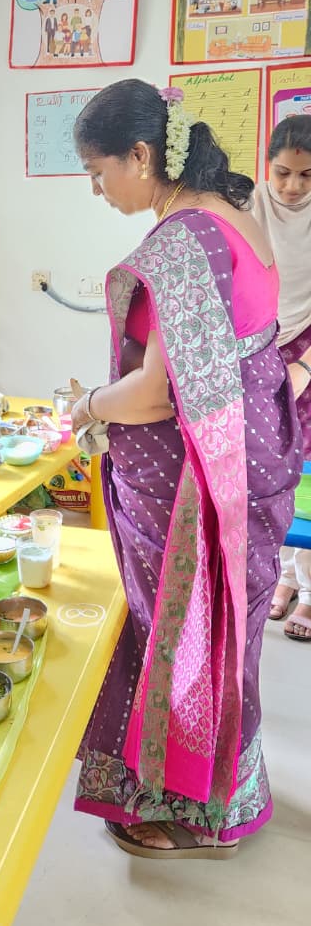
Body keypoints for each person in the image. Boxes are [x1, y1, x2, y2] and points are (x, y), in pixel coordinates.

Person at [70, 79, 301, 859]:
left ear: (141, 155)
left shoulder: (182, 243)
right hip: (254, 453)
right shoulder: (235, 212)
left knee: (182, 638)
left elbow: (158, 393)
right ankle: (223, 793)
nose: (97, 189)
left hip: (195, 486)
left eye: (98, 171)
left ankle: (183, 809)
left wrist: (87, 406)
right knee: (229, 636)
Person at [253, 116, 311, 639]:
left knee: (308, 473)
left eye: (307, 175)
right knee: (272, 470)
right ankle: (285, 576)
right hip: (260, 344)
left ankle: (309, 588)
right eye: (283, 173)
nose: (292, 186)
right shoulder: (248, 204)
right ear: (266, 166)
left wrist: (305, 365)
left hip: (308, 347)